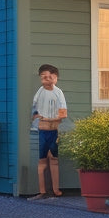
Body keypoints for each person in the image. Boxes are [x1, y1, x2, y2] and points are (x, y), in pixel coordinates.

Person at [29, 63, 67, 200]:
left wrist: (53, 119)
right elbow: (35, 112)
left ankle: (55, 190)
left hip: (54, 131)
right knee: (42, 160)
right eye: (43, 77)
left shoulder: (58, 93)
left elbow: (63, 112)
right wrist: (41, 118)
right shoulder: (39, 93)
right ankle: (42, 190)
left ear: (55, 78)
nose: (46, 79)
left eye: (49, 77)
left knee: (54, 159)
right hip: (43, 132)